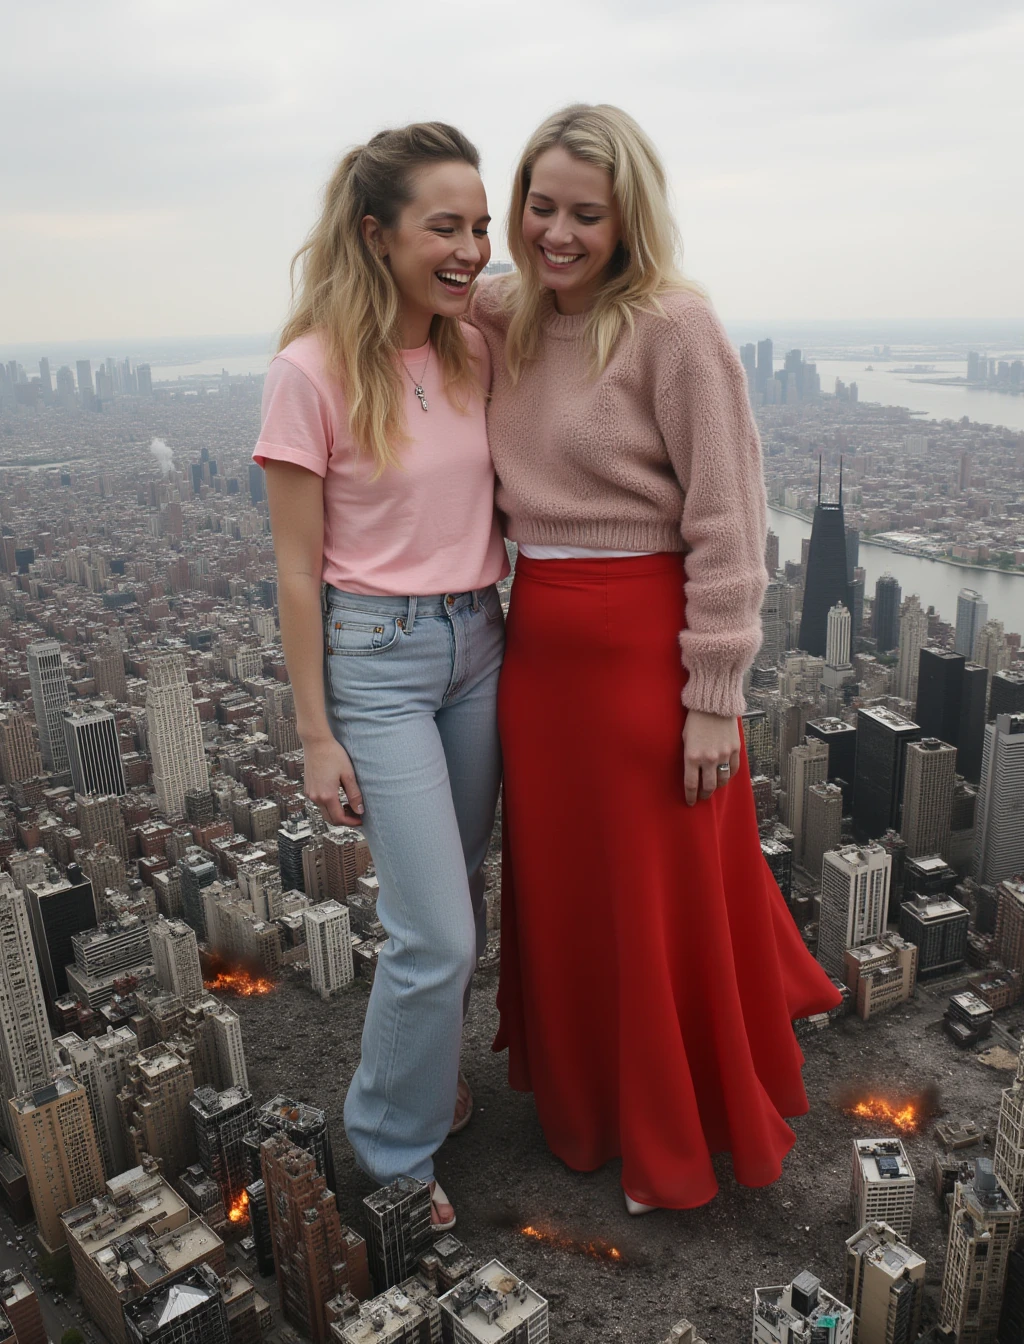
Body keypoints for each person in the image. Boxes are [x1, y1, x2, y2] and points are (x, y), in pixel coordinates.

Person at [470, 103, 842, 1215]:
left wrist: (711, 698)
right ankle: (586, 1109)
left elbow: (729, 517)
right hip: (535, 654)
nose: (559, 233)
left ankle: (675, 1127)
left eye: (588, 212)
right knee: (570, 890)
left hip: (643, 653)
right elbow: (397, 269)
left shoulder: (674, 327)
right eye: (540, 207)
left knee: (654, 891)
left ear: (630, 216)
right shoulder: (507, 311)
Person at [253, 122, 508, 1230]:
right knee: (433, 932)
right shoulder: (307, 372)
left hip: (481, 643)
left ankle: (426, 1077)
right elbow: (297, 573)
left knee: (459, 889)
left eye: (480, 226)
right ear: (376, 235)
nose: (470, 249)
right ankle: (392, 1155)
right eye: (443, 227)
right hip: (380, 661)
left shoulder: (471, 345)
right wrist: (314, 734)